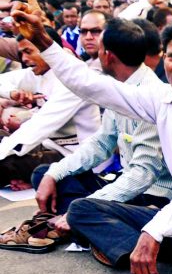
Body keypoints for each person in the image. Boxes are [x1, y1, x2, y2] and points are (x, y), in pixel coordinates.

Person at [15, 11, 172, 274]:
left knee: (169, 233)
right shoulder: (162, 98)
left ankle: (166, 257)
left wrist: (154, 229)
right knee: (82, 209)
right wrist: (44, 41)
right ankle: (158, 259)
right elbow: (94, 86)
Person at [0, 20, 172, 253]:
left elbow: (142, 174)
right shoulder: (119, 85)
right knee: (45, 175)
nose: (87, 40)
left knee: (86, 210)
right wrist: (55, 173)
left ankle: (85, 229)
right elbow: (101, 142)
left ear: (108, 55)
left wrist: (84, 206)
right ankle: (80, 227)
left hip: (153, 195)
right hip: (125, 182)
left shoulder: (149, 95)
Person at [0, 30, 101, 187]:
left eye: (28, 52)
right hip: (48, 148)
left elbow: (39, 126)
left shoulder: (73, 78)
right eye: (22, 54)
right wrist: (13, 94)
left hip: (77, 158)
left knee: (8, 162)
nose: (25, 59)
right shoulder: (40, 72)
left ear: (47, 48)